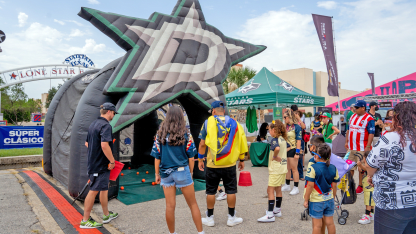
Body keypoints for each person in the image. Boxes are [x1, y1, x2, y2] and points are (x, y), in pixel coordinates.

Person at [151, 106, 204, 234]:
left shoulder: (160, 135)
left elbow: (157, 158)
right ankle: (201, 232)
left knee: (170, 206)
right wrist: (190, 173)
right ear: (181, 117)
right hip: (182, 171)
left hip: (165, 173)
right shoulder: (186, 134)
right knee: (193, 204)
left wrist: (157, 174)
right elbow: (191, 158)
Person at [366, 101, 416, 233]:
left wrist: (372, 176)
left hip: (392, 203)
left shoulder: (391, 138)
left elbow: (370, 166)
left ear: (397, 118)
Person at [198, 101, 248, 227]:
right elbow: (242, 142)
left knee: (210, 191)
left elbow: (202, 144)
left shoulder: (208, 122)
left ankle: (210, 218)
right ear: (223, 111)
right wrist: (241, 159)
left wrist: (200, 159)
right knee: (231, 191)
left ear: (213, 111)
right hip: (229, 164)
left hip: (212, 164)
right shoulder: (234, 123)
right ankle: (231, 218)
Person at [80, 103, 119, 229]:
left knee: (104, 188)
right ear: (109, 112)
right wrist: (112, 161)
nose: (113, 115)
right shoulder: (106, 126)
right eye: (113, 113)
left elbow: (87, 144)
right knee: (93, 191)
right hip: (100, 165)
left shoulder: (93, 124)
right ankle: (85, 220)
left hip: (96, 164)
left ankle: (106, 215)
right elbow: (104, 145)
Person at [304, 143, 339, 234]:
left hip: (316, 201)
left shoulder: (313, 168)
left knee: (317, 225)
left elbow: (310, 186)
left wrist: (306, 199)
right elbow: (334, 186)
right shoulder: (334, 168)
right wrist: (333, 197)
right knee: (330, 223)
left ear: (317, 155)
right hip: (329, 199)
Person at [257, 120, 287, 222]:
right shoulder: (283, 139)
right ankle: (277, 210)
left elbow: (277, 148)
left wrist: (274, 156)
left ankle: (270, 215)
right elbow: (288, 147)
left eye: (270, 130)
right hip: (282, 168)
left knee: (270, 190)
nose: (269, 132)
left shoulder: (275, 140)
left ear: (274, 130)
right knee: (278, 189)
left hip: (276, 169)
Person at [344, 100, 375, 195]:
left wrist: (368, 146)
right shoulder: (352, 116)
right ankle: (349, 184)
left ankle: (360, 186)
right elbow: (348, 130)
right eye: (354, 107)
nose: (354, 109)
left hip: (362, 148)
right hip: (351, 147)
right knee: (349, 167)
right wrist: (346, 141)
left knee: (361, 168)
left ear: (363, 108)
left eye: (357, 108)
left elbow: (371, 133)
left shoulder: (369, 118)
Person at [281, 109, 302, 195]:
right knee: (287, 169)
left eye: (285, 117)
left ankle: (296, 187)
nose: (284, 118)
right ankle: (287, 184)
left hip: (293, 149)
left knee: (294, 169)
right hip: (286, 149)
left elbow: (299, 141)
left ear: (290, 117)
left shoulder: (297, 127)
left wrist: (297, 153)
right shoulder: (285, 126)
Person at [356, 151, 375, 225]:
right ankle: (371, 214)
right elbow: (363, 170)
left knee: (368, 202)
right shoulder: (371, 165)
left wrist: (360, 165)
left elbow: (365, 169)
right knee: (371, 201)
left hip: (369, 188)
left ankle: (367, 216)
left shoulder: (369, 166)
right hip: (368, 188)